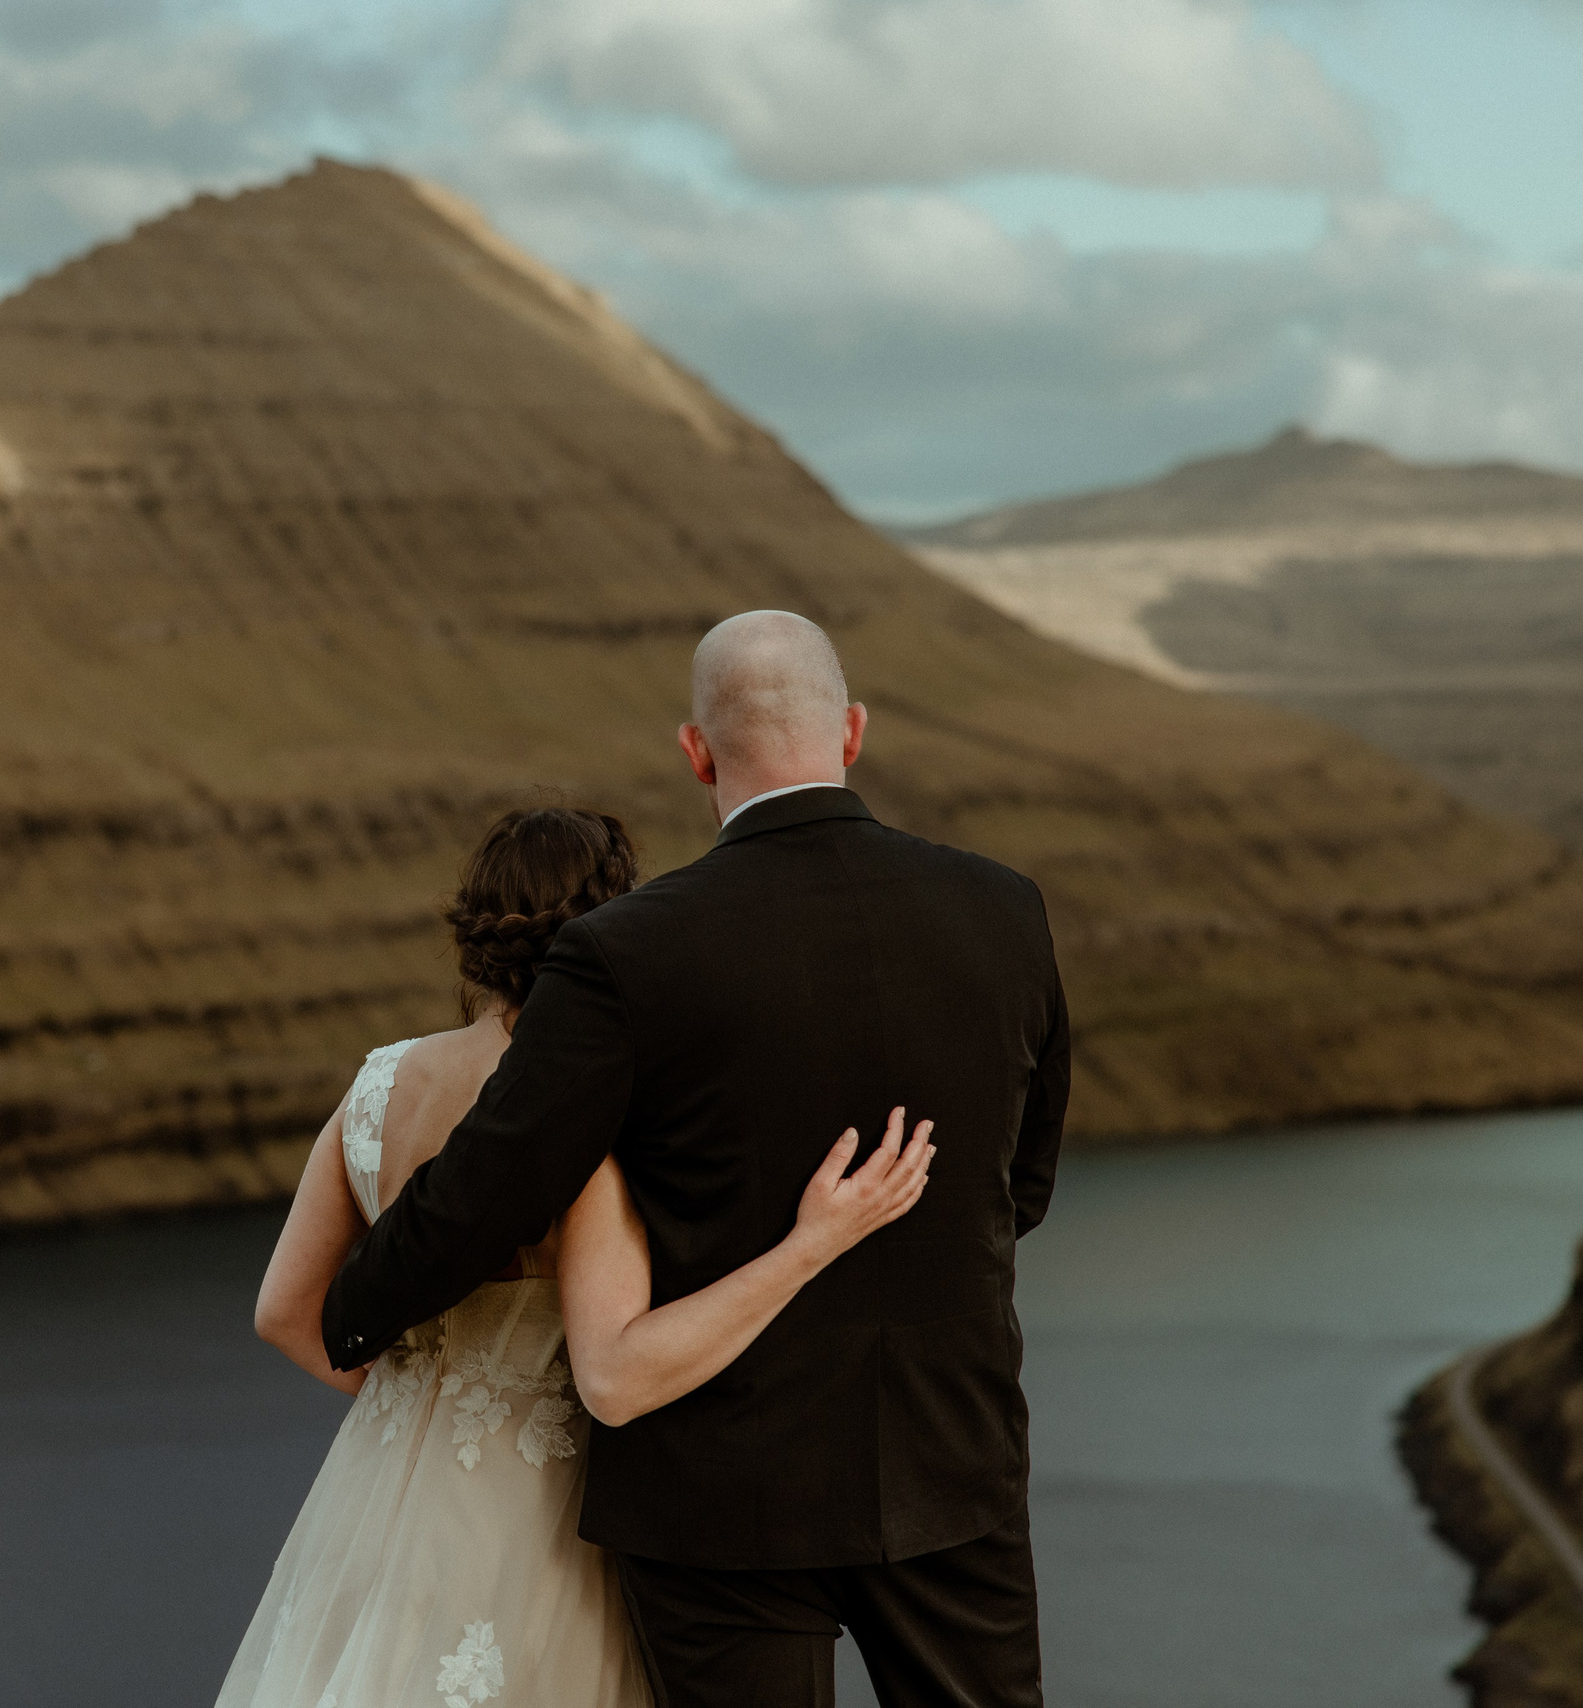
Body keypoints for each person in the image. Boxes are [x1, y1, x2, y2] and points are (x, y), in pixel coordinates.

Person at [323, 610, 1071, 1708]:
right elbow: (1021, 1185)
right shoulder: (1004, 910)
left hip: (720, 1497)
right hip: (946, 1462)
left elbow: (494, 1184)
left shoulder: (626, 952)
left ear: (697, 751)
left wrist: (358, 1307)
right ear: (851, 731)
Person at [217, 802, 935, 1708]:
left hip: (371, 1507)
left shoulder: (379, 1082)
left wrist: (422, 1401)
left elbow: (285, 1315)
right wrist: (814, 1241)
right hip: (542, 1522)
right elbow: (622, 1368)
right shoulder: (586, 1118)